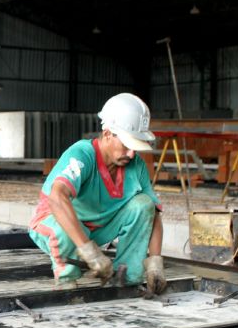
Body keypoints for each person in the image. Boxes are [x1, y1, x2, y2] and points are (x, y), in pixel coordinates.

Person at [28, 93, 167, 297]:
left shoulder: (135, 165)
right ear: (108, 133)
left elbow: (152, 213)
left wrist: (155, 263)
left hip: (96, 229)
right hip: (54, 224)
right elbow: (57, 198)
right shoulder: (82, 154)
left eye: (135, 147)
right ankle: (67, 283)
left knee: (144, 204)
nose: (131, 154)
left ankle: (127, 279)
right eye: (127, 145)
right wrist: (89, 251)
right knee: (66, 233)